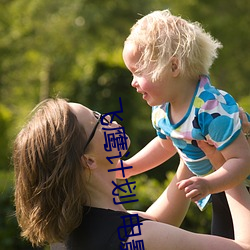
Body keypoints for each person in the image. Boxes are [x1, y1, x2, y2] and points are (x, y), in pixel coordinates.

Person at [13, 98, 250, 250]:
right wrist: (226, 166)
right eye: (97, 119)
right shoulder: (139, 237)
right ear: (88, 160)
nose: (109, 118)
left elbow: (157, 222)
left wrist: (189, 140)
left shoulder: (74, 234)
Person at [121, 9, 250, 238]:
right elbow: (165, 145)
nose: (133, 82)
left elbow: (242, 160)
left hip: (239, 184)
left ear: (173, 67)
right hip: (221, 188)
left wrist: (209, 184)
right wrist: (129, 167)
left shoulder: (210, 109)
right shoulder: (162, 110)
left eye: (138, 72)